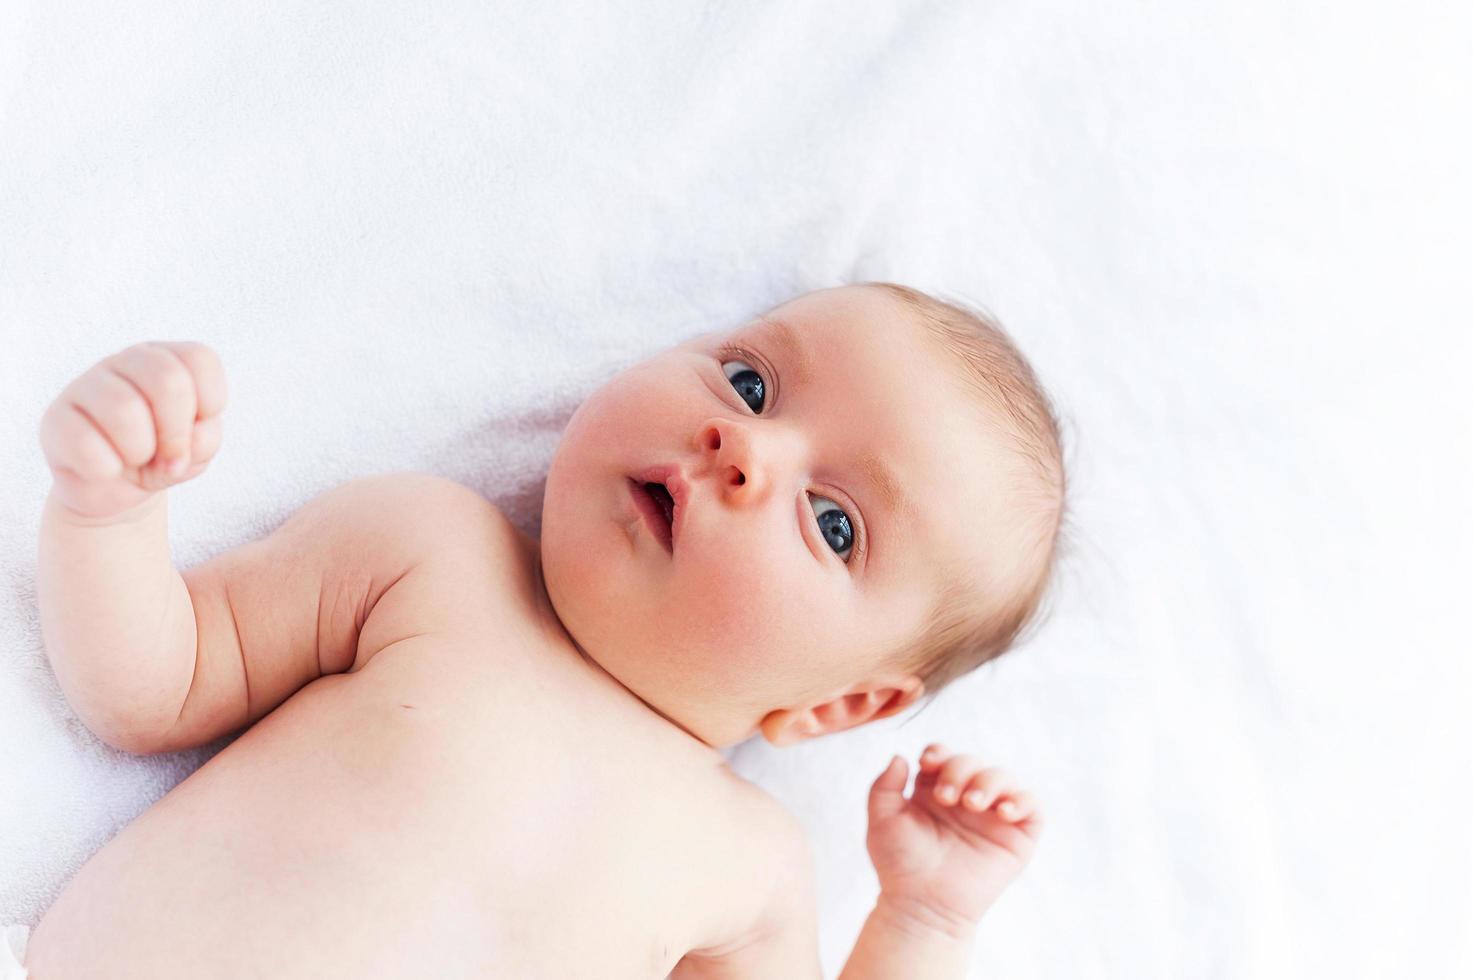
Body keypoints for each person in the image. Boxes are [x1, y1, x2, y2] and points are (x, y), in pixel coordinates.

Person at [17, 281, 1067, 978]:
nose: (744, 444)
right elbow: (150, 686)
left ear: (840, 702)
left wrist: (923, 923)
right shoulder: (425, 549)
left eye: (833, 522)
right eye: (751, 381)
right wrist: (110, 510)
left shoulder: (751, 868)